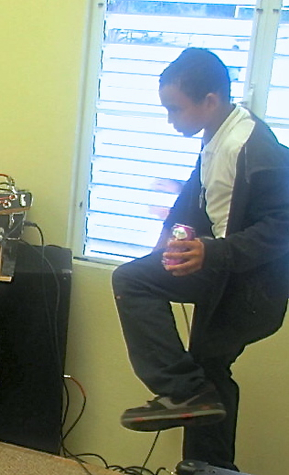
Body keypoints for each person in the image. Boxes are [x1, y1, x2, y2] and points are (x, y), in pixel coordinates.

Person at [112, 48, 289, 470]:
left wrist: (212, 250)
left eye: (176, 109)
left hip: (248, 289)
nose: (171, 119)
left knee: (131, 281)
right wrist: (166, 237)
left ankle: (181, 390)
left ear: (210, 100)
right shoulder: (219, 135)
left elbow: (282, 225)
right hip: (227, 273)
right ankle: (207, 465)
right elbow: (196, 195)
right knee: (210, 380)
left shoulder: (253, 146)